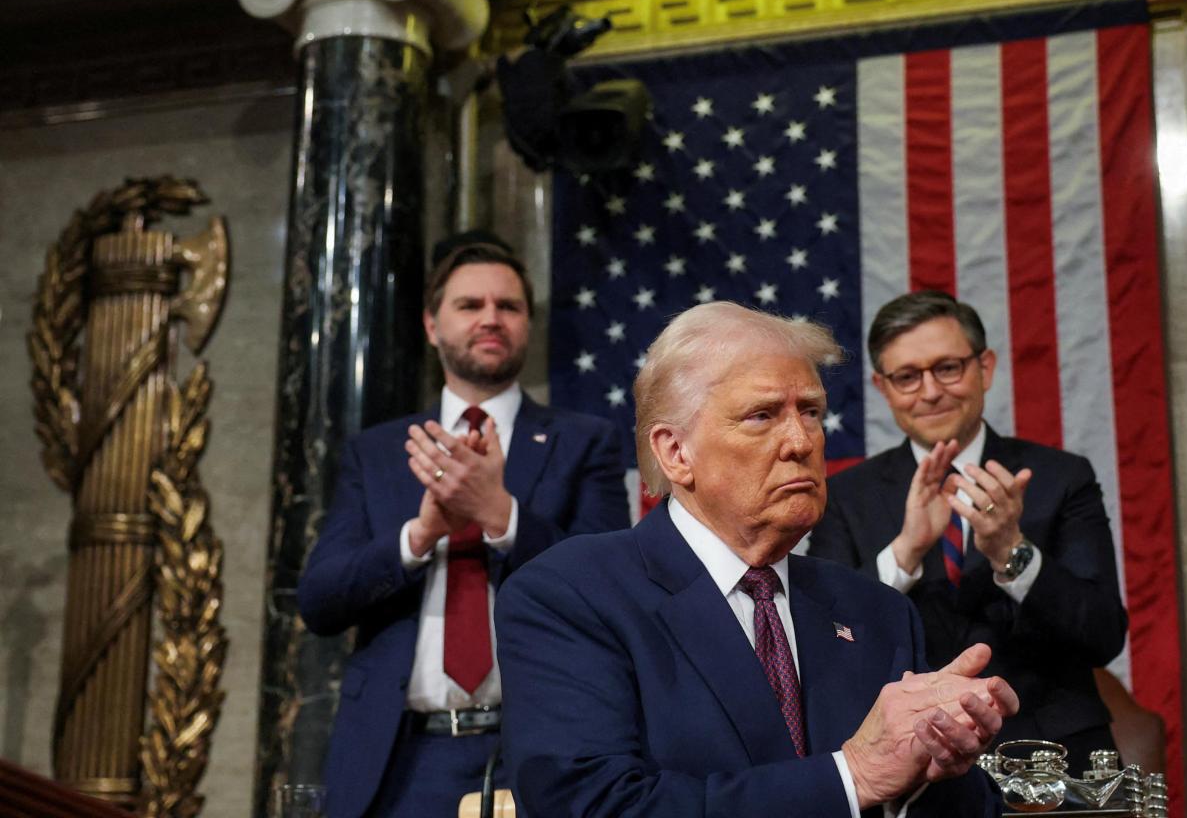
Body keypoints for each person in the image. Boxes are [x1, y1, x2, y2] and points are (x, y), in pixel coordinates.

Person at [496, 302, 1015, 817]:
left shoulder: (876, 612)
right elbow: (593, 805)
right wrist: (851, 776)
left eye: (810, 412)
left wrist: (935, 771)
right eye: (762, 416)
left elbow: (963, 807)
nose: (800, 441)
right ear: (676, 452)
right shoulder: (570, 594)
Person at [298, 233, 630, 818]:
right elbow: (319, 601)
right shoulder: (376, 452)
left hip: (530, 750)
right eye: (470, 305)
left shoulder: (585, 442)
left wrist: (499, 515)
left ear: (528, 323)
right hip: (396, 758)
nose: (491, 319)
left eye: (509, 306)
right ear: (431, 325)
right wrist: (419, 536)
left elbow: (610, 592)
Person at [810, 291, 1130, 767]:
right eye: (907, 377)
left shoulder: (1062, 478)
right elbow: (824, 645)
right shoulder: (845, 496)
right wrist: (905, 552)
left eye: (947, 368)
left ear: (985, 367)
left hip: (1053, 757)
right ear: (882, 386)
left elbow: (1103, 636)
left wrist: (1010, 550)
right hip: (911, 762)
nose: (930, 391)